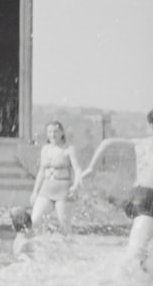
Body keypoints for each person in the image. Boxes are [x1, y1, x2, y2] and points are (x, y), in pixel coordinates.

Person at [79, 108, 153, 272]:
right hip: (147, 198)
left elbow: (108, 142)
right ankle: (114, 279)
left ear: (149, 125)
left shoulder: (140, 142)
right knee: (136, 251)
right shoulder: (144, 144)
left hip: (143, 195)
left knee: (141, 251)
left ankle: (136, 280)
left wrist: (92, 168)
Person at [29, 120, 82, 235]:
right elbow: (41, 172)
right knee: (35, 220)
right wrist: (35, 192)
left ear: (62, 133)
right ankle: (38, 245)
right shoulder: (45, 149)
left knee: (64, 225)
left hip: (62, 191)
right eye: (50, 132)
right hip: (46, 190)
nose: (53, 134)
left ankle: (68, 250)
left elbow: (77, 170)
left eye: (56, 132)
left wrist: (76, 186)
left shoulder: (68, 150)